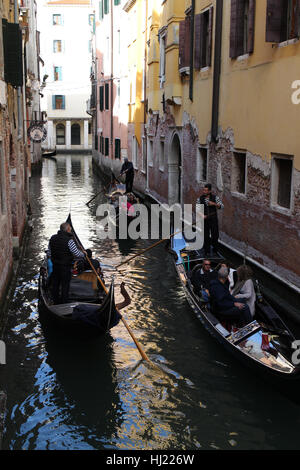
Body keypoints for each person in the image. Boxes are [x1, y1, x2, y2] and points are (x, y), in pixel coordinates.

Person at [48, 222, 86, 304]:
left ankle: (56, 302)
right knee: (65, 286)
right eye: (70, 229)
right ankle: (64, 303)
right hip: (65, 267)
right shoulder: (69, 241)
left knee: (56, 285)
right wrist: (84, 254)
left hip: (55, 266)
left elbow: (49, 253)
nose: (71, 231)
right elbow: (77, 253)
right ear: (68, 230)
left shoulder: (52, 238)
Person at [197, 183, 224, 256]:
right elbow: (198, 210)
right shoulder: (200, 199)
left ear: (209, 191)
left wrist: (214, 204)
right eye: (204, 190)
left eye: (205, 190)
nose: (204, 192)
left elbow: (221, 206)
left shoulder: (215, 198)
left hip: (213, 219)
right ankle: (207, 251)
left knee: (215, 235)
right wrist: (202, 215)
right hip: (205, 220)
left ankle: (215, 251)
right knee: (206, 236)